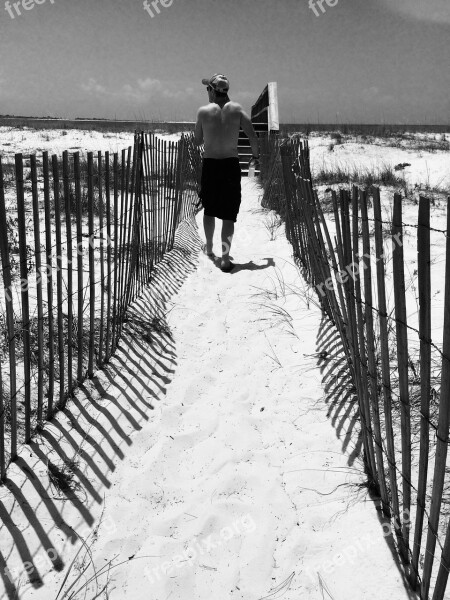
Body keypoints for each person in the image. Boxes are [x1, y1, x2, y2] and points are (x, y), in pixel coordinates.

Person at [194, 73, 260, 272]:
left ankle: (210, 248)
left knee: (210, 209)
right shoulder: (237, 109)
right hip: (230, 165)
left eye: (208, 89)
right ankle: (224, 258)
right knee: (229, 214)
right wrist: (255, 156)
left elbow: (197, 141)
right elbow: (252, 136)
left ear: (213, 91)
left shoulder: (204, 111)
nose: (207, 92)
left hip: (211, 165)